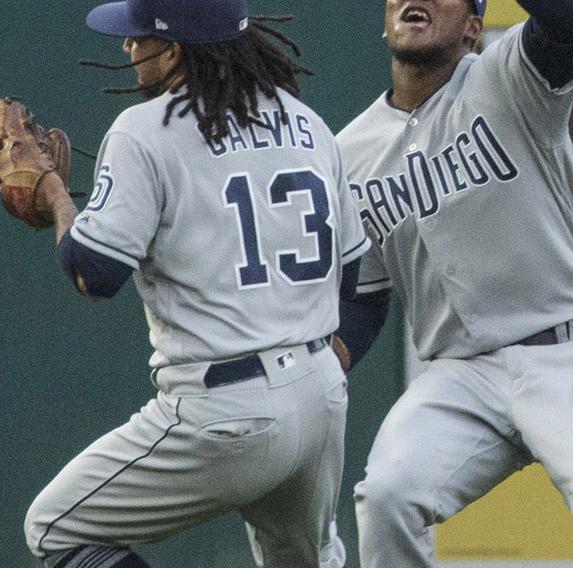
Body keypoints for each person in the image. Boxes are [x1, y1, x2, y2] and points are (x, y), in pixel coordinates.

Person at [333, 0, 573, 567]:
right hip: (460, 376)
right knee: (387, 496)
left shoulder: (511, 78)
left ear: (474, 29)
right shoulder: (347, 154)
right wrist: (321, 363)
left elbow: (572, 22)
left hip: (572, 350)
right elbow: (366, 297)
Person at [22, 0, 369, 566]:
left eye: (139, 38)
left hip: (226, 409)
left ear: (176, 48)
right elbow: (348, 272)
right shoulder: (306, 123)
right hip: (321, 393)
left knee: (56, 527)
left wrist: (58, 198)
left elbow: (95, 273)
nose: (129, 48)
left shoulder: (143, 129)